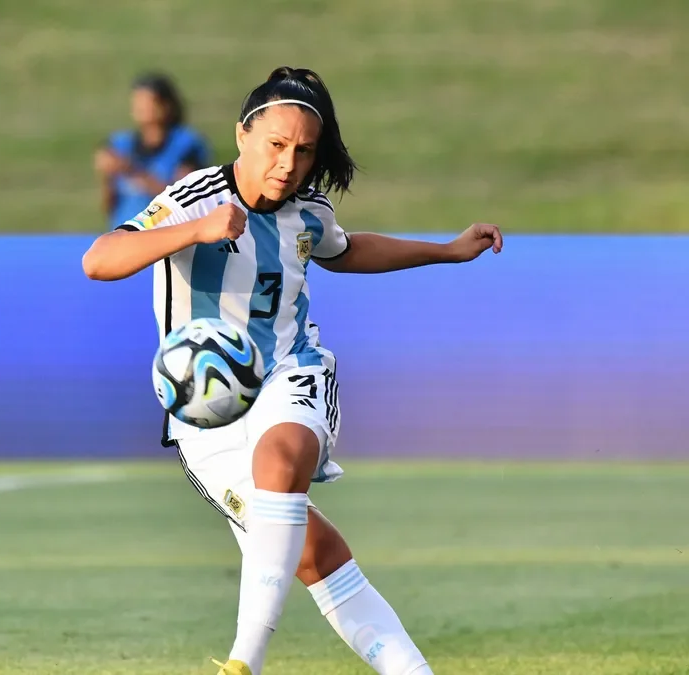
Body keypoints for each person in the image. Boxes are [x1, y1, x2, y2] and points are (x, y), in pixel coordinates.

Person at [82, 66, 503, 675]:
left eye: (304, 151)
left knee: (280, 462)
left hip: (290, 370)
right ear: (242, 136)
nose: (289, 163)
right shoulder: (193, 199)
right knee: (314, 554)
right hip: (207, 411)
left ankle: (242, 662)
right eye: (277, 145)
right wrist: (195, 231)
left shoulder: (308, 211)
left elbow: (345, 249)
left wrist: (446, 251)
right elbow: (99, 260)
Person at [96, 73, 210, 229]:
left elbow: (186, 200)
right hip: (124, 233)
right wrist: (107, 176)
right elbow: (108, 205)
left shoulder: (186, 145)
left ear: (166, 106)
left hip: (166, 235)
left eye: (147, 102)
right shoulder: (121, 144)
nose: (140, 108)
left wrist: (132, 171)